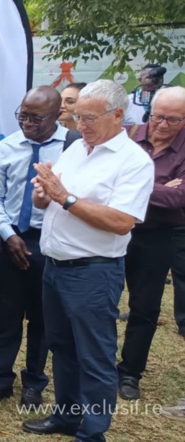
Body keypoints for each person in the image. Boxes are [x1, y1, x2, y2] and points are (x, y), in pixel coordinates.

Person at [22, 79, 154, 441]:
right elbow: (51, 199)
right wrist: (43, 195)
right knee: (62, 347)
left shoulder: (133, 162)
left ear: (118, 115)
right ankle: (66, 416)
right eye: (77, 116)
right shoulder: (77, 148)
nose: (80, 125)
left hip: (93, 272)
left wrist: (64, 197)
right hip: (55, 266)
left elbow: (122, 221)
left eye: (89, 118)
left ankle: (93, 432)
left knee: (94, 356)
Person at [0, 86, 72, 408]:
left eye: (36, 118)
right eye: (23, 116)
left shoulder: (72, 148)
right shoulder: (7, 148)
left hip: (51, 241)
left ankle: (34, 383)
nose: (27, 123)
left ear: (57, 115)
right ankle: (1, 380)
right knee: (8, 314)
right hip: (12, 239)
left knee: (42, 317)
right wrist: (8, 235)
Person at [117, 86, 185, 400]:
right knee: (101, 301)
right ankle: (98, 363)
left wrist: (131, 185)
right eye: (158, 116)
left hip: (157, 236)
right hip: (114, 229)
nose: (162, 124)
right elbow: (105, 181)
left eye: (173, 119)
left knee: (144, 307)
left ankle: (130, 372)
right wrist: (161, 186)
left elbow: (178, 199)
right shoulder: (126, 135)